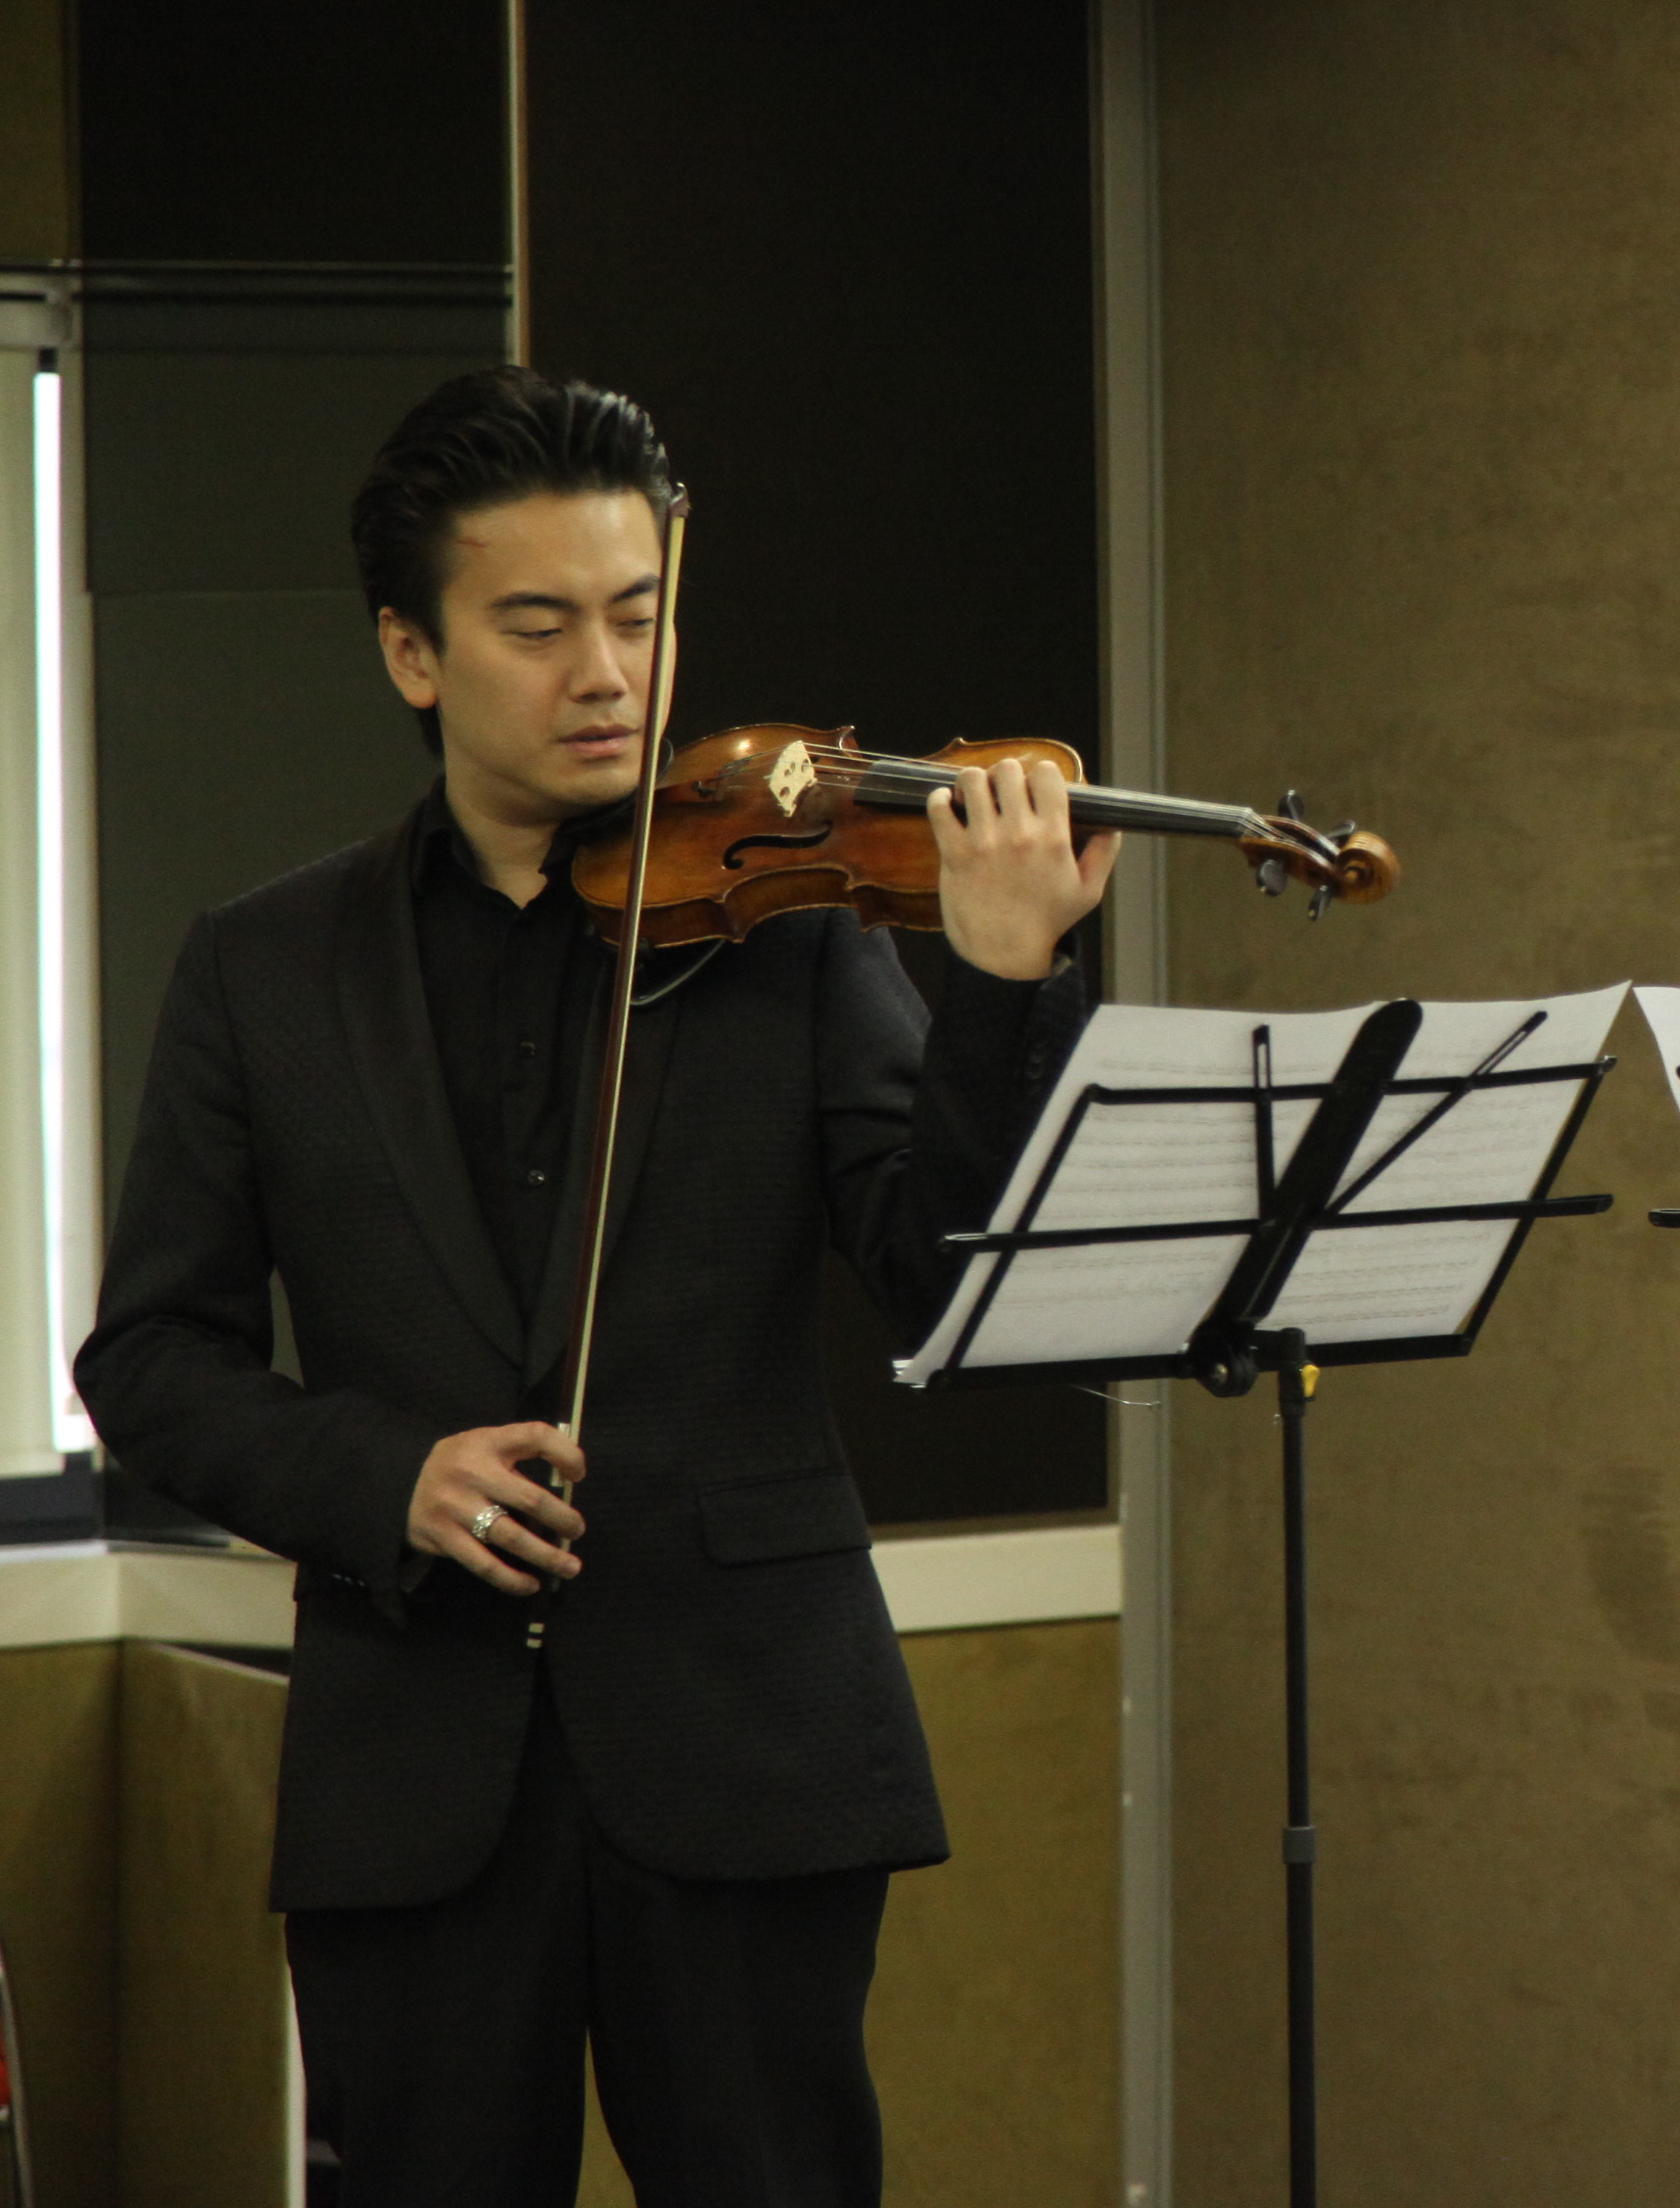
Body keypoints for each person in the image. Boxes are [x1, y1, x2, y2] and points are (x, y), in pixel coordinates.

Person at [76, 367, 1114, 2206]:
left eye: (637, 617)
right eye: (536, 624)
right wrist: (381, 1477)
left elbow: (947, 1284)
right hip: (413, 1776)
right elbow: (153, 1361)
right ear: (415, 653)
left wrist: (1006, 983)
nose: (606, 673)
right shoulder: (263, 968)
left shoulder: (785, 924)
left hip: (751, 1743)